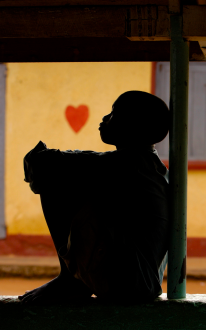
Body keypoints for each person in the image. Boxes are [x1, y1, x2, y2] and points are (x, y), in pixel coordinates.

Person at [19, 91, 170, 303]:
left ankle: (69, 278)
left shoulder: (128, 166)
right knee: (74, 177)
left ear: (132, 126)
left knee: (54, 178)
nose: (104, 119)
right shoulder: (146, 166)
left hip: (128, 284)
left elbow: (40, 163)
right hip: (141, 284)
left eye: (113, 114)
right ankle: (72, 277)